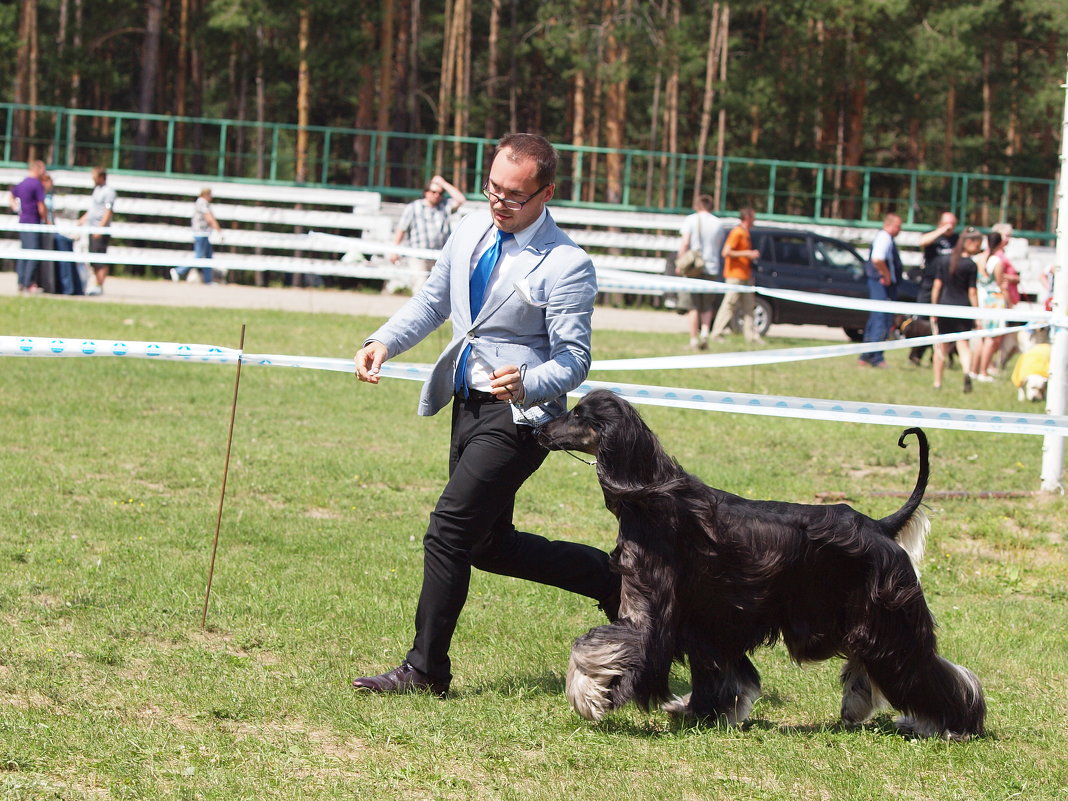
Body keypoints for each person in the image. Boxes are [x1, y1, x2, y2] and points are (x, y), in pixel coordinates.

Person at [351, 133, 619, 697]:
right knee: (486, 544)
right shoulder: (469, 228)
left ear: (546, 193)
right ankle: (613, 580)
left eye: (514, 196)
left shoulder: (567, 263)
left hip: (519, 417)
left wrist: (528, 381)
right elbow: (433, 302)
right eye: (492, 188)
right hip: (465, 403)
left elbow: (575, 359)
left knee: (448, 530)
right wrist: (383, 341)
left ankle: (426, 672)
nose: (498, 202)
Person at [387, 174, 466, 294]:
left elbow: (460, 199)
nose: (437, 195)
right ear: (426, 192)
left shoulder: (444, 206)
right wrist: (395, 250)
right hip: (418, 256)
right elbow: (401, 229)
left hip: (439, 256)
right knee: (420, 288)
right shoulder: (413, 207)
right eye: (434, 192)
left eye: (440, 193)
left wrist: (443, 183)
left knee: (440, 291)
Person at [930, 227, 983, 392]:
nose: (978, 248)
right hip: (963, 309)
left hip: (945, 307)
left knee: (941, 347)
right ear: (968, 242)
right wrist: (977, 314)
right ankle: (967, 372)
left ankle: (937, 382)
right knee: (963, 344)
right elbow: (972, 292)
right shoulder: (971, 265)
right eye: (977, 244)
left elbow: (937, 286)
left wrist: (933, 308)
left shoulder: (943, 260)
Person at [909, 212, 958, 365]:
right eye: (947, 223)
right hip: (929, 285)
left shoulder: (956, 239)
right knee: (922, 322)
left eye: (953, 224)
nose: (950, 227)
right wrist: (942, 231)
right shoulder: (933, 236)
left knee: (944, 322)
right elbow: (921, 242)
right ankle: (916, 354)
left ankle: (940, 356)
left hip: (948, 287)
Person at [674, 194, 722, 349]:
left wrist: (680, 264)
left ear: (698, 205)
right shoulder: (719, 223)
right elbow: (718, 246)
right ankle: (705, 334)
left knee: (692, 305)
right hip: (711, 267)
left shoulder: (691, 220)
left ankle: (693, 339)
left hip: (693, 267)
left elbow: (685, 243)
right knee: (707, 305)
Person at [708, 207, 761, 343]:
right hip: (735, 275)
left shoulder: (745, 233)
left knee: (749, 306)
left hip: (745, 275)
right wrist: (747, 254)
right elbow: (726, 252)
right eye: (753, 217)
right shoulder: (737, 232)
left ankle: (751, 336)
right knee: (729, 304)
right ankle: (716, 333)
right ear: (747, 217)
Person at [858, 212, 903, 367]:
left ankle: (865, 355)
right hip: (881, 284)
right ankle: (876, 357)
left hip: (880, 284)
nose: (900, 230)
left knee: (876, 318)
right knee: (881, 319)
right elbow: (877, 259)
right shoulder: (884, 237)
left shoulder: (885, 237)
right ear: (888, 225)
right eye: (898, 226)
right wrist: (887, 275)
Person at [8, 159, 47, 293]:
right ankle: (29, 283)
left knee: (23, 252)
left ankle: (21, 281)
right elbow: (41, 206)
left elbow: (11, 196)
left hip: (22, 221)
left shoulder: (22, 183)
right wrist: (46, 220)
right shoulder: (37, 184)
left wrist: (16, 208)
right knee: (33, 252)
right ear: (38, 169)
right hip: (33, 221)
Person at [973, 231, 1007, 381]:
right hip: (994, 302)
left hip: (981, 299)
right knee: (990, 339)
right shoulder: (996, 261)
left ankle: (974, 370)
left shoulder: (979, 259)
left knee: (981, 337)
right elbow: (1000, 284)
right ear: (1000, 243)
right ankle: (983, 371)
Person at [172, 188, 223, 285]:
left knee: (208, 257)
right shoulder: (202, 203)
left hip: (205, 233)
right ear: (205, 194)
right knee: (199, 257)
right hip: (201, 233)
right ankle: (178, 271)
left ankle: (208, 280)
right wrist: (218, 230)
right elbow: (209, 218)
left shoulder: (202, 203)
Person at [78, 166, 117, 295]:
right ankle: (96, 284)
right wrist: (82, 220)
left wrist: (101, 229)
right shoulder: (97, 190)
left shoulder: (108, 192)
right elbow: (93, 209)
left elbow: (108, 211)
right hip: (92, 228)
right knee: (93, 259)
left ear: (101, 177)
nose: (93, 179)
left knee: (100, 259)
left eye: (94, 177)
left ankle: (100, 285)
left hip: (100, 230)